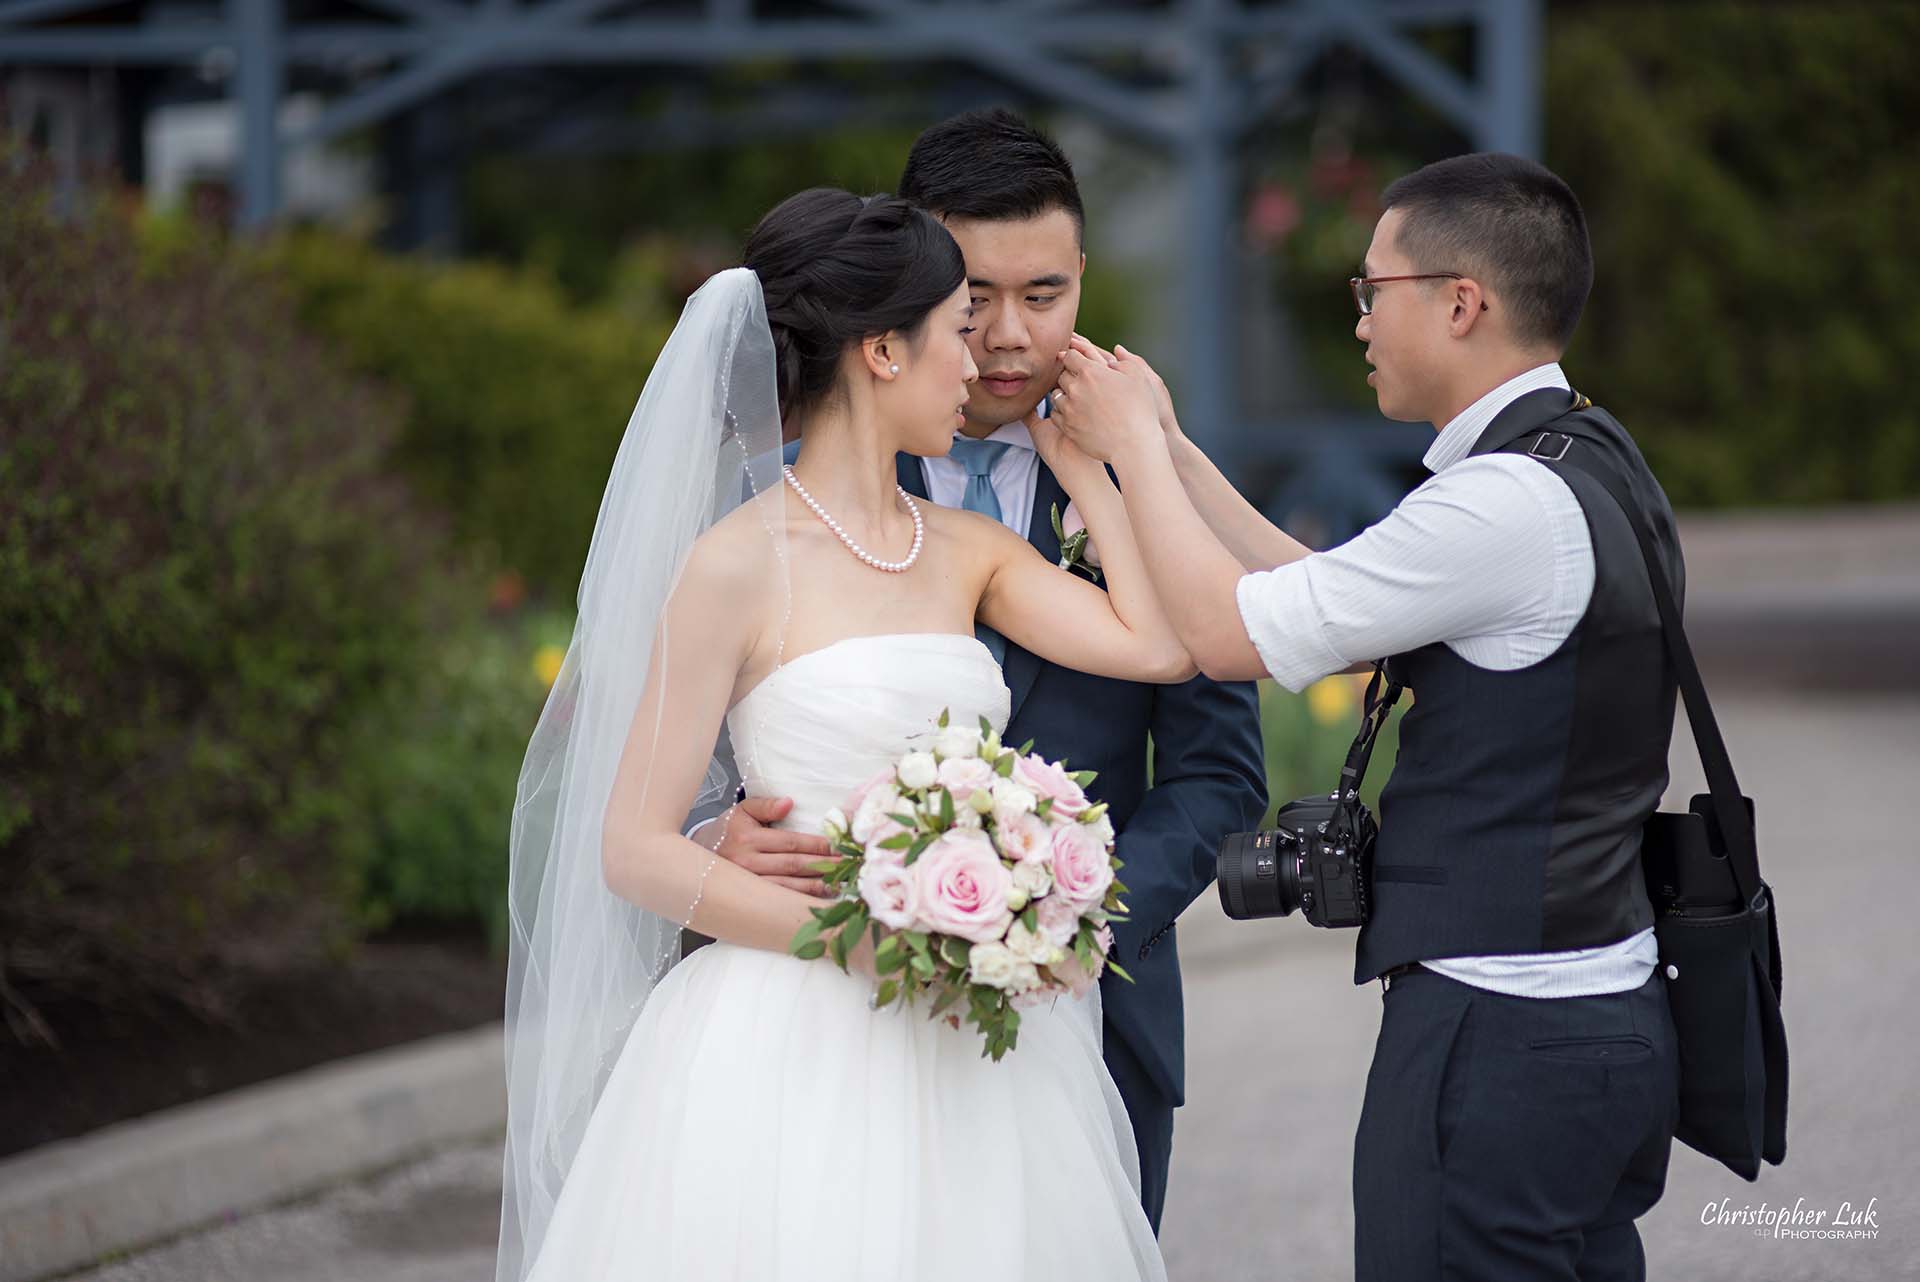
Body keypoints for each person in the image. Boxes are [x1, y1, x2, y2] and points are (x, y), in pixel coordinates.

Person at [496, 187, 1192, 1282]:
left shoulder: (966, 550)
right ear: (880, 350)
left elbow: (1158, 644)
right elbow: (633, 845)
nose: (979, 364)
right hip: (784, 1027)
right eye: (957, 332)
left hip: (981, 1037)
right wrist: (850, 940)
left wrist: (1085, 475)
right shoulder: (734, 560)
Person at [1049, 153, 1684, 1281]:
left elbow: (1231, 635)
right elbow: (1334, 599)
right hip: (1604, 1011)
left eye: (1371, 290)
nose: (1359, 321)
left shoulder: (1500, 505)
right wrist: (1177, 450)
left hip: (1501, 1030)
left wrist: (1131, 454)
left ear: (1460, 301)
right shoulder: (1588, 457)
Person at [689, 109, 1269, 1232]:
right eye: (974, 301)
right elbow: (686, 732)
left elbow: (1218, 777)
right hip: (827, 1015)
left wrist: (1065, 919)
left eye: (1044, 297)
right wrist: (715, 828)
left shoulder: (1149, 479)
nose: (1006, 338)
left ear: (1086, 278)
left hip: (1086, 1019)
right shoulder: (764, 500)